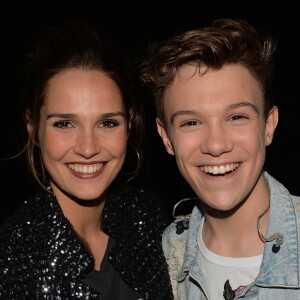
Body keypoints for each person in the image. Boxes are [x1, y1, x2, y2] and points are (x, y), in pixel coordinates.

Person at [0, 21, 173, 299]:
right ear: (33, 127)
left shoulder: (148, 217)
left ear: (129, 124)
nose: (88, 148)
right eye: (65, 124)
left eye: (107, 123)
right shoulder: (11, 254)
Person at [139, 18, 300, 299]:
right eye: (191, 122)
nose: (216, 145)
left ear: (268, 125)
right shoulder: (163, 255)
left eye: (237, 117)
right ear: (166, 137)